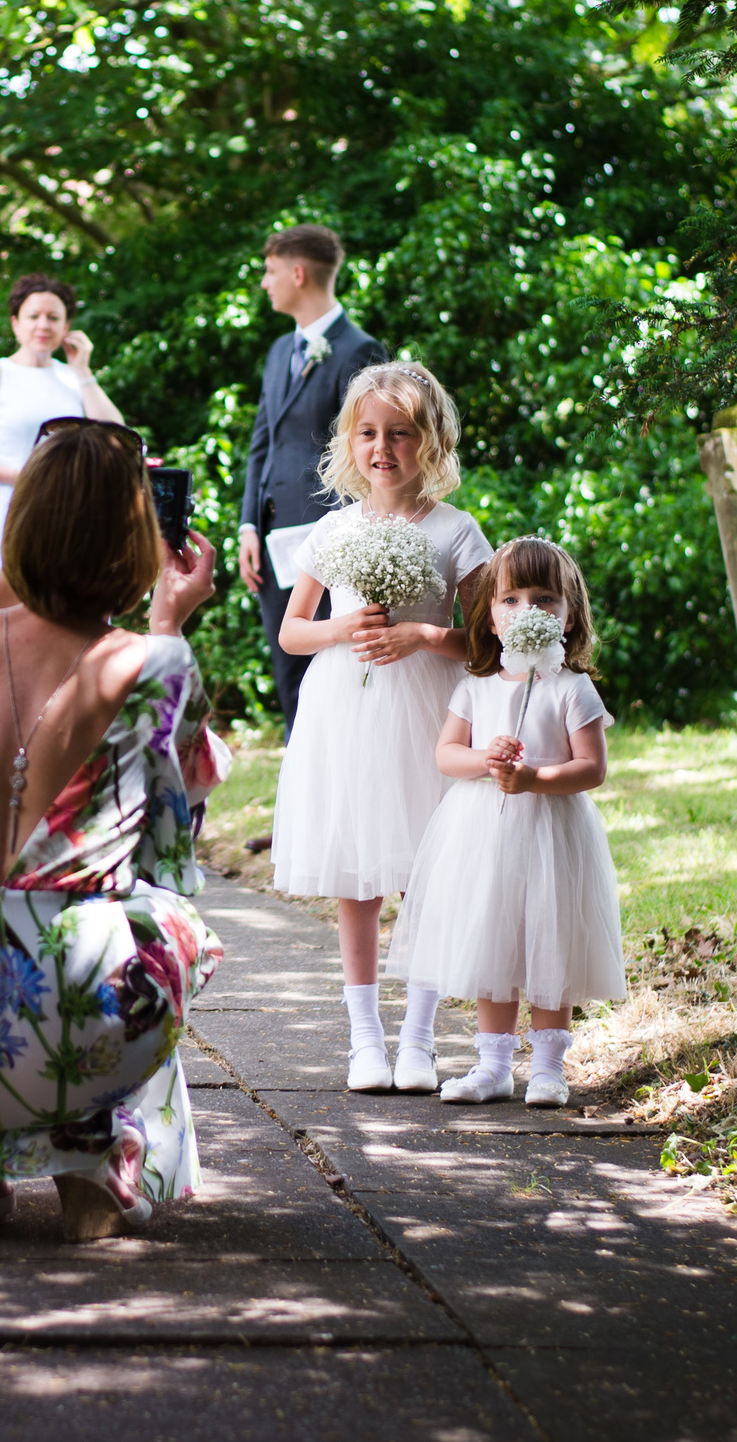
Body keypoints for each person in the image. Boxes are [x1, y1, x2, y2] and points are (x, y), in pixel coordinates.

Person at [0, 421, 228, 1241]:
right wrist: (168, 616)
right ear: (136, 538)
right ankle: (95, 1154)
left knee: (0, 941)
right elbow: (175, 844)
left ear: (18, 525)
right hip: (83, 1023)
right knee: (169, 925)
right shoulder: (155, 664)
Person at [268, 362, 491, 1092]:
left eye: (400, 433)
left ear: (432, 441)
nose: (382, 447)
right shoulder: (334, 528)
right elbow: (293, 632)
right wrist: (341, 629)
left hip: (427, 707)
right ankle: (365, 1037)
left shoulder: (457, 531)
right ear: (349, 442)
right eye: (368, 432)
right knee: (356, 873)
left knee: (429, 870)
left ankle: (420, 1038)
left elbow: (490, 643)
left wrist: (425, 636)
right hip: (345, 711)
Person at [390, 538, 623, 1106]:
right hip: (483, 833)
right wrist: (486, 760)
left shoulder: (572, 688)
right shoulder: (476, 687)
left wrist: (535, 779)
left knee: (548, 940)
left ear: (570, 618)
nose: (527, 612)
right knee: (493, 941)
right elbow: (447, 754)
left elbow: (591, 768)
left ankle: (548, 1066)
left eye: (545, 600)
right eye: (511, 600)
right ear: (489, 619)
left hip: (551, 832)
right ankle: (493, 1065)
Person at [234, 225, 388, 737]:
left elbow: (373, 451)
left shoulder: (360, 350)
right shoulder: (279, 351)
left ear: (297, 273)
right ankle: (301, 780)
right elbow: (263, 441)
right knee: (288, 662)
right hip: (275, 537)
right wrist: (247, 526)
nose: (265, 282)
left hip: (333, 539)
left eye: (270, 271)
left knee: (335, 667)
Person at [0, 274, 123, 600]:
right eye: (33, 316)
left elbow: (117, 437)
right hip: (10, 505)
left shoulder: (74, 379)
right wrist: (25, 476)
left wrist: (83, 372)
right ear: (15, 324)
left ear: (67, 327)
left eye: (54, 318)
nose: (44, 325)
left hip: (69, 510)